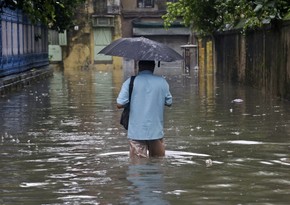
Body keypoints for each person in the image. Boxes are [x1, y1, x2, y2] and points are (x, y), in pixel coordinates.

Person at [117, 60, 172, 158]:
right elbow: (169, 102)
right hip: (156, 131)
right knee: (157, 164)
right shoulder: (162, 82)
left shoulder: (130, 82)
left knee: (137, 168)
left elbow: (120, 103)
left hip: (136, 132)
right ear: (153, 67)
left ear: (139, 67)